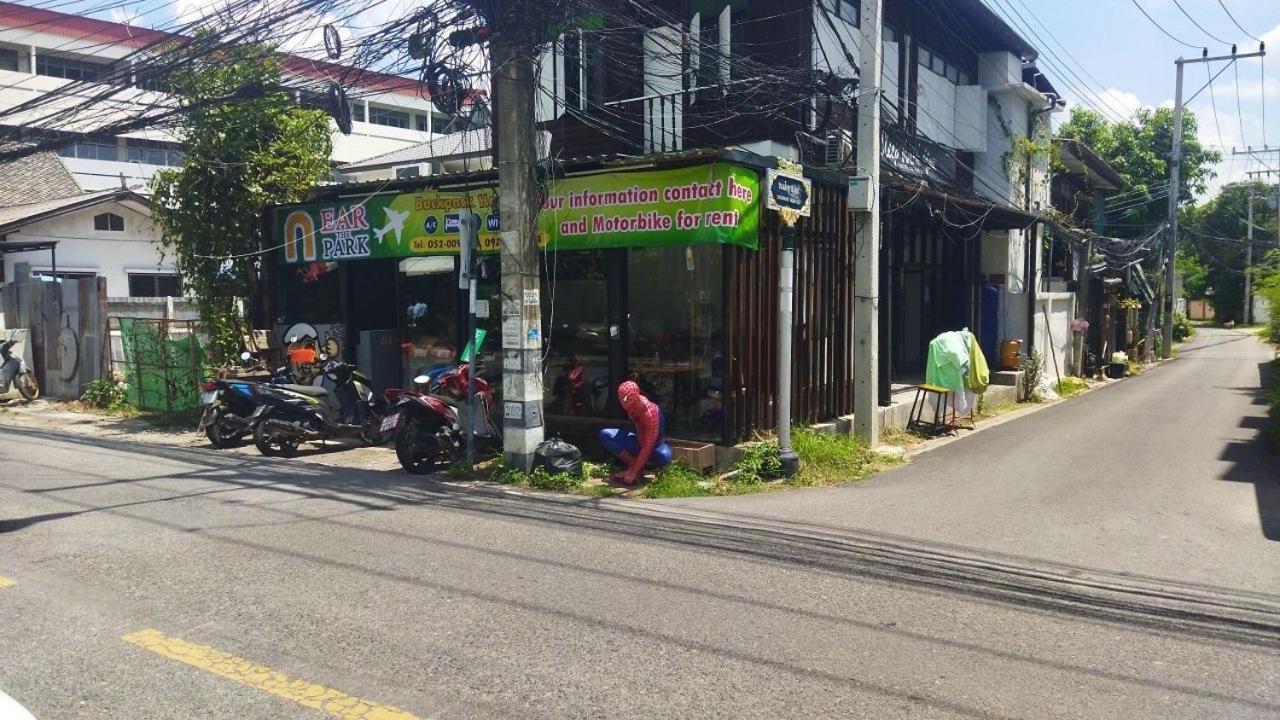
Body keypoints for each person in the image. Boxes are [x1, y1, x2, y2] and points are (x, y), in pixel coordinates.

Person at [598, 380, 673, 485]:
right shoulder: (630, 407)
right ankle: (633, 464)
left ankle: (656, 474)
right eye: (620, 398)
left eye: (625, 399)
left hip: (654, 447)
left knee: (665, 457)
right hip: (638, 441)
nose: (623, 402)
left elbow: (648, 446)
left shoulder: (650, 414)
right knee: (605, 434)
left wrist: (633, 473)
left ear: (634, 397)